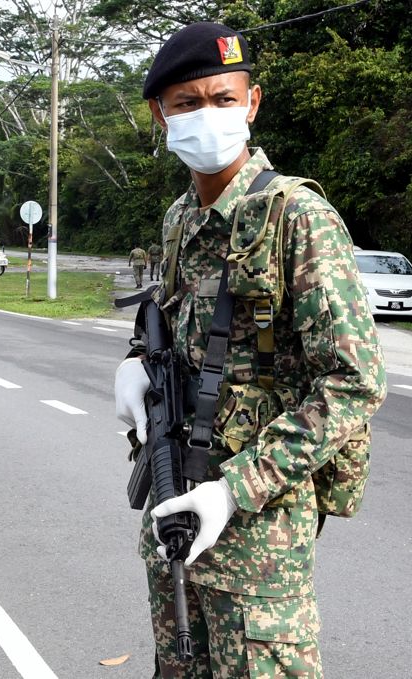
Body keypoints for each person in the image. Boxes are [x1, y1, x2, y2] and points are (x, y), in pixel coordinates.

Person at [113, 23, 385, 678]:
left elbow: (354, 382)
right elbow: (174, 334)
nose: (206, 115)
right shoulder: (181, 220)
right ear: (160, 114)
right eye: (187, 103)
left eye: (222, 98)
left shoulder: (298, 219)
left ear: (252, 103)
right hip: (174, 513)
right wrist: (135, 364)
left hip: (259, 545)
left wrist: (234, 491)